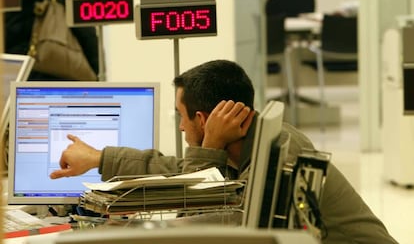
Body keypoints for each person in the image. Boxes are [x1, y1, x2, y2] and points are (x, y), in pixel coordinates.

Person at [50, 59, 397, 244]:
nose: (182, 127)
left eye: (182, 117)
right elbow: (174, 170)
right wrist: (99, 158)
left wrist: (211, 146)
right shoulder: (253, 144)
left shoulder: (281, 157)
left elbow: (226, 223)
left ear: (204, 119)